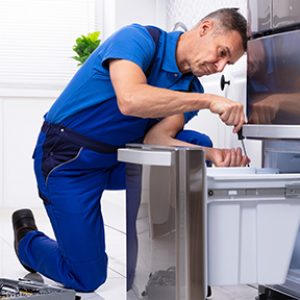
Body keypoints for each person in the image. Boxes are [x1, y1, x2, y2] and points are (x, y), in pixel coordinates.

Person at [12, 8, 249, 292]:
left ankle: (173, 265)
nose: (221, 66)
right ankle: (27, 241)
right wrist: (209, 101)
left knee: (196, 149)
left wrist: (214, 156)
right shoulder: (138, 39)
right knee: (87, 278)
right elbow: (131, 99)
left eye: (229, 62)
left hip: (117, 159)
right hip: (68, 161)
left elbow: (156, 140)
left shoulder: (190, 88)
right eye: (221, 52)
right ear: (205, 28)